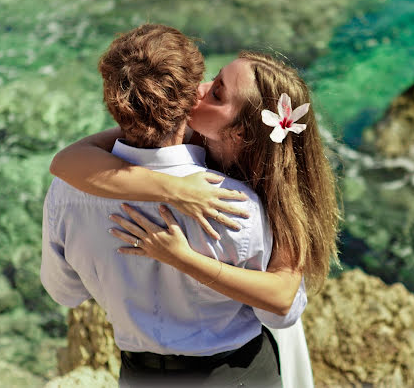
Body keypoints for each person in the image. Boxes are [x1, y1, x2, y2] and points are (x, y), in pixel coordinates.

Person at [49, 44, 340, 386]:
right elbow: (67, 161)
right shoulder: (194, 143)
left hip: (235, 364)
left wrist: (183, 259)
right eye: (213, 78)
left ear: (240, 132)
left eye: (216, 92)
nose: (197, 90)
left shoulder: (271, 199)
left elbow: (281, 300)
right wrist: (175, 189)